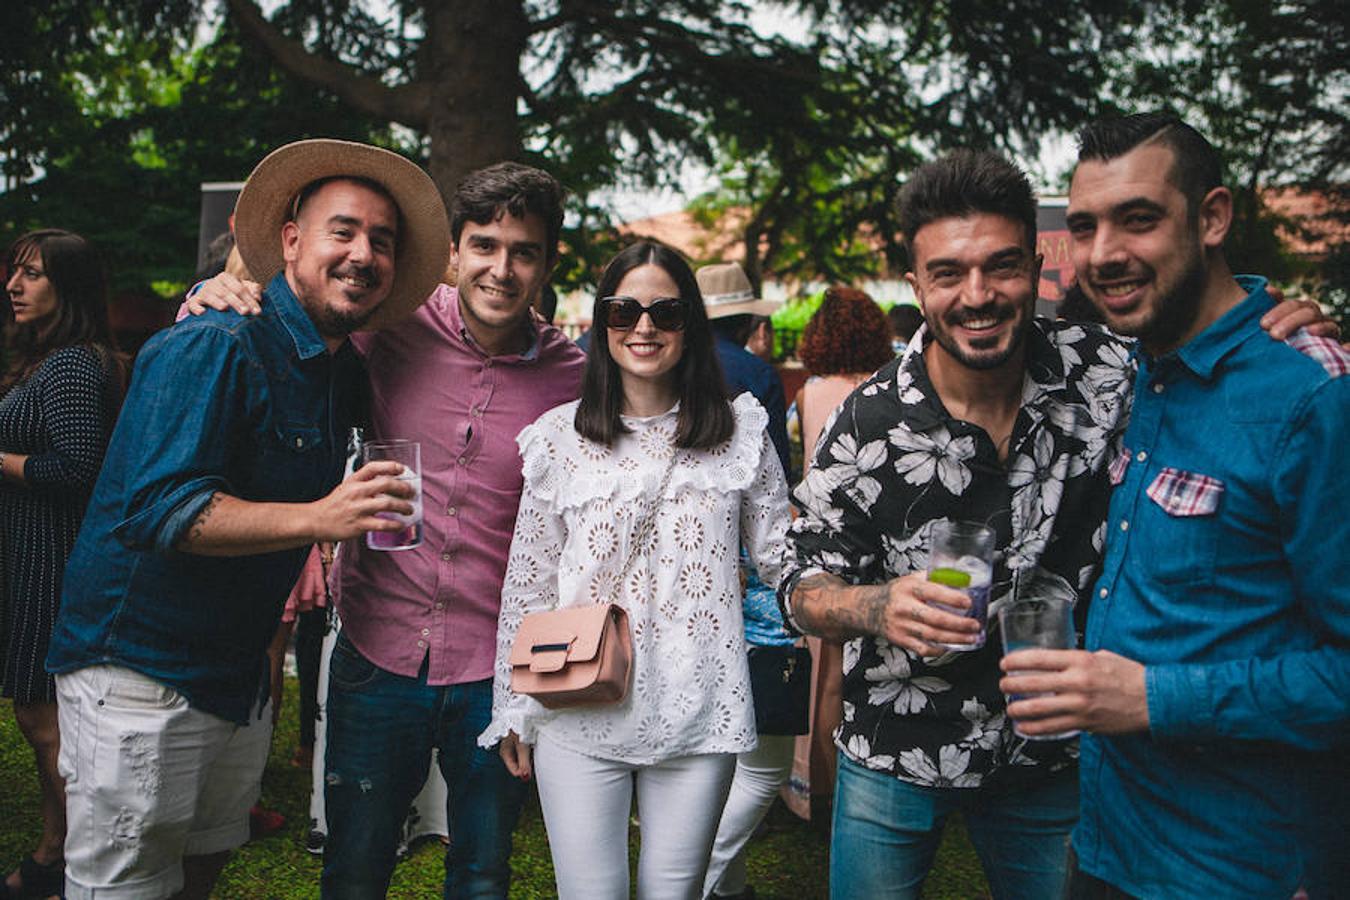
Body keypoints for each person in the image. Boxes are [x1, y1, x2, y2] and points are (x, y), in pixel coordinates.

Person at [776, 149, 1335, 900]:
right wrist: (877, 605)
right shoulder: (867, 421)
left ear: (1036, 267)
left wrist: (1283, 328)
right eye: (947, 273)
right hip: (894, 749)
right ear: (916, 285)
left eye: (1002, 267)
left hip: (1051, 754)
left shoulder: (1110, 372)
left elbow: (1211, 348)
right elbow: (797, 583)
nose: (977, 295)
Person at [45, 138, 450, 900]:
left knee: (203, 864)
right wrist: (322, 517)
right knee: (122, 884)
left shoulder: (339, 368)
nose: (363, 253)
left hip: (234, 675)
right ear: (290, 241)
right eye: (343, 230)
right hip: (141, 669)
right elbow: (160, 510)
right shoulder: (216, 341)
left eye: (382, 241)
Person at [190, 160, 587, 898]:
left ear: (547, 263)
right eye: (485, 246)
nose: (501, 269)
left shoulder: (576, 377)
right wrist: (208, 291)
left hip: (498, 670)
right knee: (356, 863)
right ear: (452, 254)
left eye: (523, 251)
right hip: (377, 651)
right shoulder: (390, 327)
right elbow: (293, 318)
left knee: (483, 869)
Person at [1001, 112, 1350, 900]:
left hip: (1236, 868)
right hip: (1107, 845)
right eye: (1084, 226)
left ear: (1213, 217)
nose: (1101, 255)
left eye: (1139, 219)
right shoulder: (1132, 373)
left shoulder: (1311, 399)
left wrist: (1152, 697)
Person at [480, 241, 791, 899]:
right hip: (578, 706)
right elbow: (529, 581)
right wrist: (511, 704)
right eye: (624, 311)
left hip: (698, 708)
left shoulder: (741, 433)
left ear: (691, 324)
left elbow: (782, 557)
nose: (643, 328)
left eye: (665, 312)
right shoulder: (557, 437)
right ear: (601, 322)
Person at [0, 229, 122, 900]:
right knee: (37, 717)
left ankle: (69, 860)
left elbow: (83, 469)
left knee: (48, 723)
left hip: (57, 561)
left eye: (33, 275)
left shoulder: (73, 364)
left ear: (68, 288)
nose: (14, 285)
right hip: (32, 558)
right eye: (14, 273)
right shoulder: (49, 361)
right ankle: (58, 849)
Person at [781, 285, 895, 825]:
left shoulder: (809, 392)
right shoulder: (887, 387)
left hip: (821, 539)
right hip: (878, 541)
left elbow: (795, 462)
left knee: (819, 668)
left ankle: (811, 783)